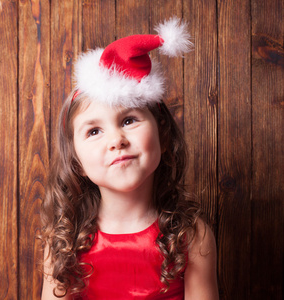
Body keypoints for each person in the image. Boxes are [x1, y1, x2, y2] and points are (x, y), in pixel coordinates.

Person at [40, 17, 218, 299]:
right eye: (94, 130)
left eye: (129, 120)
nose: (116, 140)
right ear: (77, 163)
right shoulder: (64, 241)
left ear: (163, 135)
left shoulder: (191, 235)